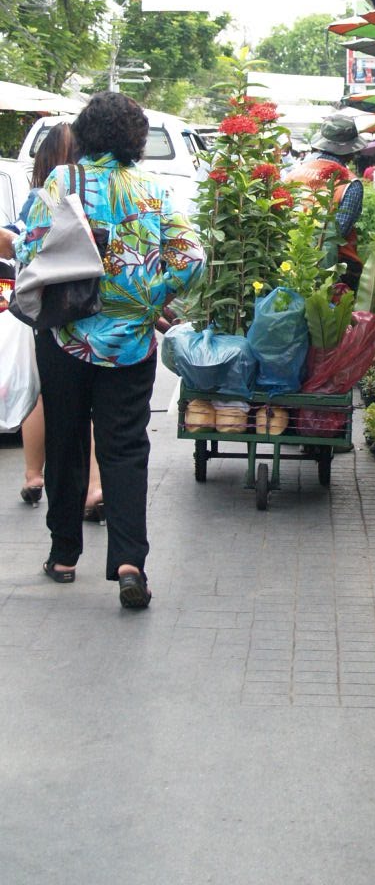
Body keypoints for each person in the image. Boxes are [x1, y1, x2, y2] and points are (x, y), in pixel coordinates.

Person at [3, 92, 205, 609]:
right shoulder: (154, 190)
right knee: (125, 448)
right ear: (137, 140)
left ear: (84, 134)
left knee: (67, 443)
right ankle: (129, 562)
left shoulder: (62, 182)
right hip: (132, 341)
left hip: (66, 337)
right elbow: (189, 256)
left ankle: (64, 556)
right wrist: (147, 299)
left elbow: (28, 248)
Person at [15, 122, 104, 520]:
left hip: (48, 313)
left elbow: (24, 246)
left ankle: (34, 475)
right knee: (94, 408)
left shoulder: (40, 194)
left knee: (44, 395)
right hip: (95, 313)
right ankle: (96, 487)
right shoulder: (98, 190)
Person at [283, 113, 366, 289]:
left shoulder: (294, 174)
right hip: (335, 269)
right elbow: (337, 234)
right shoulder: (351, 184)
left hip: (291, 259)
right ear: (351, 151)